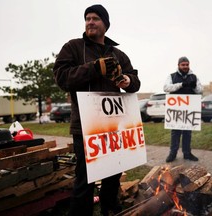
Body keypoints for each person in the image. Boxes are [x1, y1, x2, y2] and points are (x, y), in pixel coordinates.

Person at [53, 4, 140, 216]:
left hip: (114, 124)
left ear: (106, 25)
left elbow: (135, 82)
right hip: (85, 126)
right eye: (87, 18)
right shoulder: (73, 47)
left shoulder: (118, 54)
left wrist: (127, 80)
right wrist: (94, 68)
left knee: (113, 174)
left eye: (95, 18)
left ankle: (110, 208)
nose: (90, 22)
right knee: (85, 180)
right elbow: (62, 77)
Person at [163, 56, 203, 163]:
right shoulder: (172, 76)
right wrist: (181, 84)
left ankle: (187, 153)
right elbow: (166, 87)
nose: (185, 66)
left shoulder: (193, 76)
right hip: (177, 108)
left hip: (189, 109)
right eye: (183, 65)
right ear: (178, 65)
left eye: (187, 64)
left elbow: (200, 90)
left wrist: (194, 86)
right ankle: (173, 153)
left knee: (187, 132)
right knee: (175, 132)